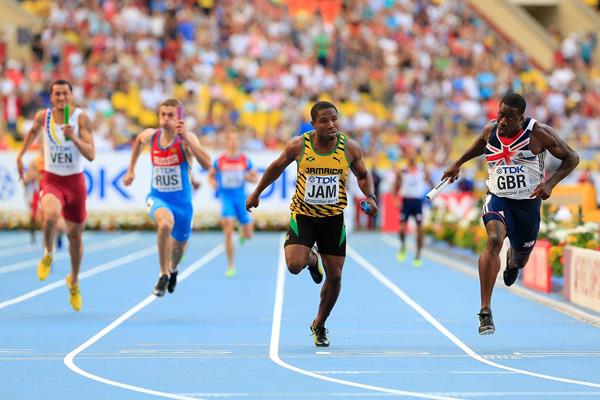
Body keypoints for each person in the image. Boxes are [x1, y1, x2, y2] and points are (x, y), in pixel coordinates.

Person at [442, 92, 579, 335]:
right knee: (494, 240)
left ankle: (513, 262)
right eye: (501, 114)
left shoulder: (538, 134)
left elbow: (572, 158)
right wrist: (457, 163)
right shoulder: (490, 130)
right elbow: (479, 145)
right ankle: (485, 310)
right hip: (498, 198)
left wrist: (550, 184)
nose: (503, 121)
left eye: (510, 117)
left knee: (520, 259)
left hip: (528, 205)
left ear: (521, 118)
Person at [246, 100, 378, 347]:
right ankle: (311, 259)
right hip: (304, 216)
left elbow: (362, 175)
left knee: (336, 276)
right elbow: (276, 167)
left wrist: (370, 196)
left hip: (333, 219)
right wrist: (256, 193)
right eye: (324, 121)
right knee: (294, 265)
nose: (331, 125)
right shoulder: (299, 145)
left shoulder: (349, 148)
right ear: (313, 125)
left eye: (334, 119)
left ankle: (319, 323)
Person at [16, 79, 95, 312]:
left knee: (75, 237)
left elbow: (91, 154)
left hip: (75, 182)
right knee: (50, 215)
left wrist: (75, 138)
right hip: (52, 178)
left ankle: (74, 281)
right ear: (51, 98)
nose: (61, 98)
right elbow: (31, 133)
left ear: (71, 96)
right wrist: (20, 156)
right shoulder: (43, 117)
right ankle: (48, 253)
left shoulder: (81, 118)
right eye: (57, 94)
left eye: (65, 94)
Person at [123, 99, 211, 297]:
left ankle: (172, 269)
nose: (165, 119)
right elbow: (138, 140)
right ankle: (163, 274)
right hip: (157, 197)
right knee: (164, 224)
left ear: (179, 118)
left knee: (178, 248)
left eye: (171, 115)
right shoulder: (152, 136)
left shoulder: (186, 139)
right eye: (162, 114)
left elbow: (207, 163)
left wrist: (187, 139)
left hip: (183, 205)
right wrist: (131, 170)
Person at [208, 131, 258, 277]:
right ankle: (230, 265)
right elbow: (210, 175)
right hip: (227, 199)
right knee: (228, 230)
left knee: (249, 235)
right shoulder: (220, 160)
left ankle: (243, 232)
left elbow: (255, 178)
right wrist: (214, 184)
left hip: (241, 199)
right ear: (227, 142)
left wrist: (247, 177)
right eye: (231, 140)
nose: (234, 142)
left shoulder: (244, 159)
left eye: (236, 140)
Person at [392, 147, 433, 267]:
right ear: (406, 156)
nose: (411, 156)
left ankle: (418, 254)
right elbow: (395, 188)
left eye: (413, 154)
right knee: (401, 230)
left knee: (420, 230)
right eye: (409, 154)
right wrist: (395, 200)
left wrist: (432, 195)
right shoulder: (402, 170)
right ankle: (403, 245)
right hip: (406, 202)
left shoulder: (422, 169)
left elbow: (431, 182)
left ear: (416, 155)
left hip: (417, 202)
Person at [22, 152, 66, 248]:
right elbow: (27, 179)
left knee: (59, 221)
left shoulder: (56, 160)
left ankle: (57, 237)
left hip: (55, 193)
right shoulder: (36, 162)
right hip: (41, 194)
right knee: (42, 219)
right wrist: (28, 178)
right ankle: (42, 244)